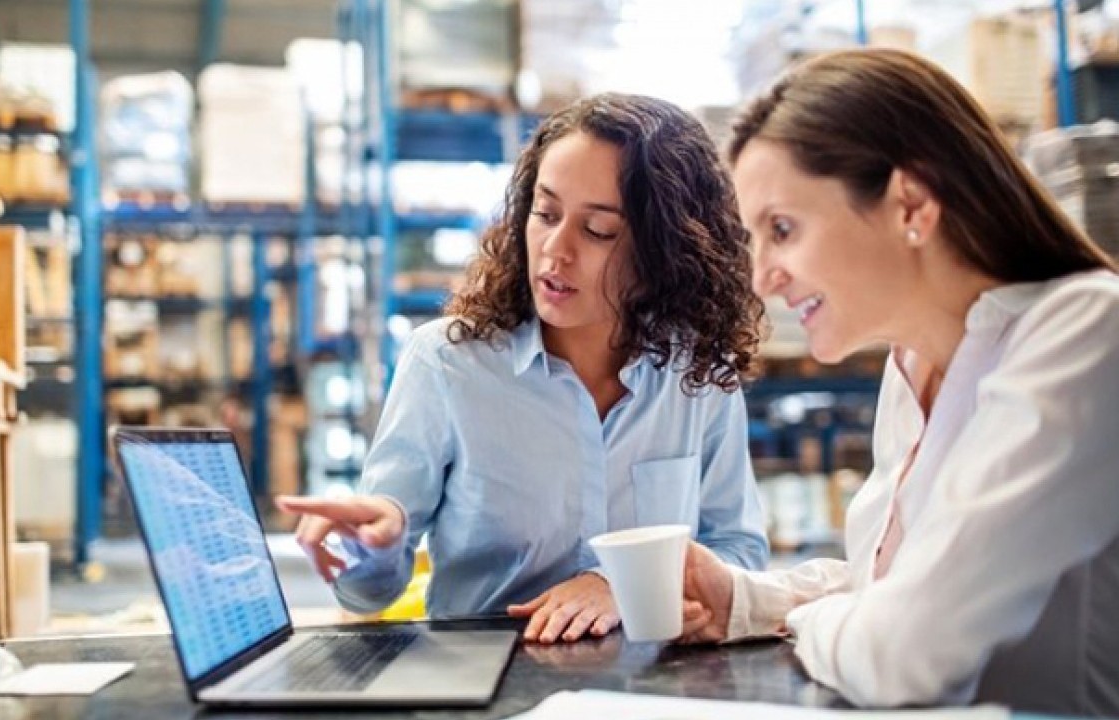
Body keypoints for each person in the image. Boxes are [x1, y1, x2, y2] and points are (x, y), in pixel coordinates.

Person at [678, 48, 1119, 716]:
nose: (762, 277)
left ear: (910, 203)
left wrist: (806, 621)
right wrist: (745, 599)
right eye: (754, 241)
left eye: (784, 229)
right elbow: (897, 582)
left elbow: (902, 654)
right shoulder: (911, 366)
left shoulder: (1084, 332)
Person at [277, 92, 768, 644]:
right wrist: (376, 547)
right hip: (487, 678)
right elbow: (368, 594)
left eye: (598, 230)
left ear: (665, 252)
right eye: (545, 213)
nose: (556, 250)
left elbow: (740, 552)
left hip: (652, 681)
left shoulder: (697, 373)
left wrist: (618, 584)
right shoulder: (447, 364)